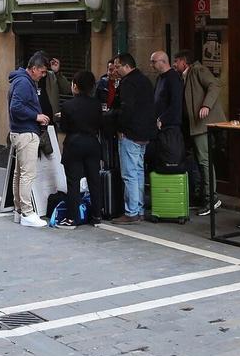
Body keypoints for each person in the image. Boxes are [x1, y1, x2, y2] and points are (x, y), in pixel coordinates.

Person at [173, 50, 225, 211]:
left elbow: (215, 84)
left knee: (204, 160)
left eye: (176, 61)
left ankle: (212, 198)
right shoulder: (185, 76)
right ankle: (204, 196)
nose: (174, 65)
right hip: (194, 125)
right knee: (199, 161)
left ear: (184, 62)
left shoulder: (197, 70)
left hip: (202, 124)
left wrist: (206, 106)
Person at [7, 54, 51, 228]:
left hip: (19, 132)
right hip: (26, 132)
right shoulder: (24, 83)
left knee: (20, 173)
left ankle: (19, 210)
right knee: (27, 174)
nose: (43, 75)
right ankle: (26, 212)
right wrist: (37, 116)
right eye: (42, 71)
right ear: (33, 69)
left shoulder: (20, 81)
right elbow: (16, 107)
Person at [111, 52, 154, 225]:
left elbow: (126, 109)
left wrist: (120, 127)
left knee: (129, 174)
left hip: (131, 133)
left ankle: (131, 212)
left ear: (125, 65)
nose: (115, 70)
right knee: (138, 172)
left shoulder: (128, 83)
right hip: (145, 133)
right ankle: (139, 209)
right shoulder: (145, 80)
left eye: (117, 66)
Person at [57, 70, 104, 229]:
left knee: (73, 182)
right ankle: (97, 215)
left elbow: (64, 127)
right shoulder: (96, 104)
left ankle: (72, 218)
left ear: (75, 86)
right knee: (94, 180)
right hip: (92, 143)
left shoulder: (68, 105)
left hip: (74, 144)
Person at [149, 50, 184, 168]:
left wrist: (162, 119)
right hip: (159, 128)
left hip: (170, 128)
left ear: (163, 61)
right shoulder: (160, 78)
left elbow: (175, 103)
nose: (151, 65)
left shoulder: (173, 78)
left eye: (153, 62)